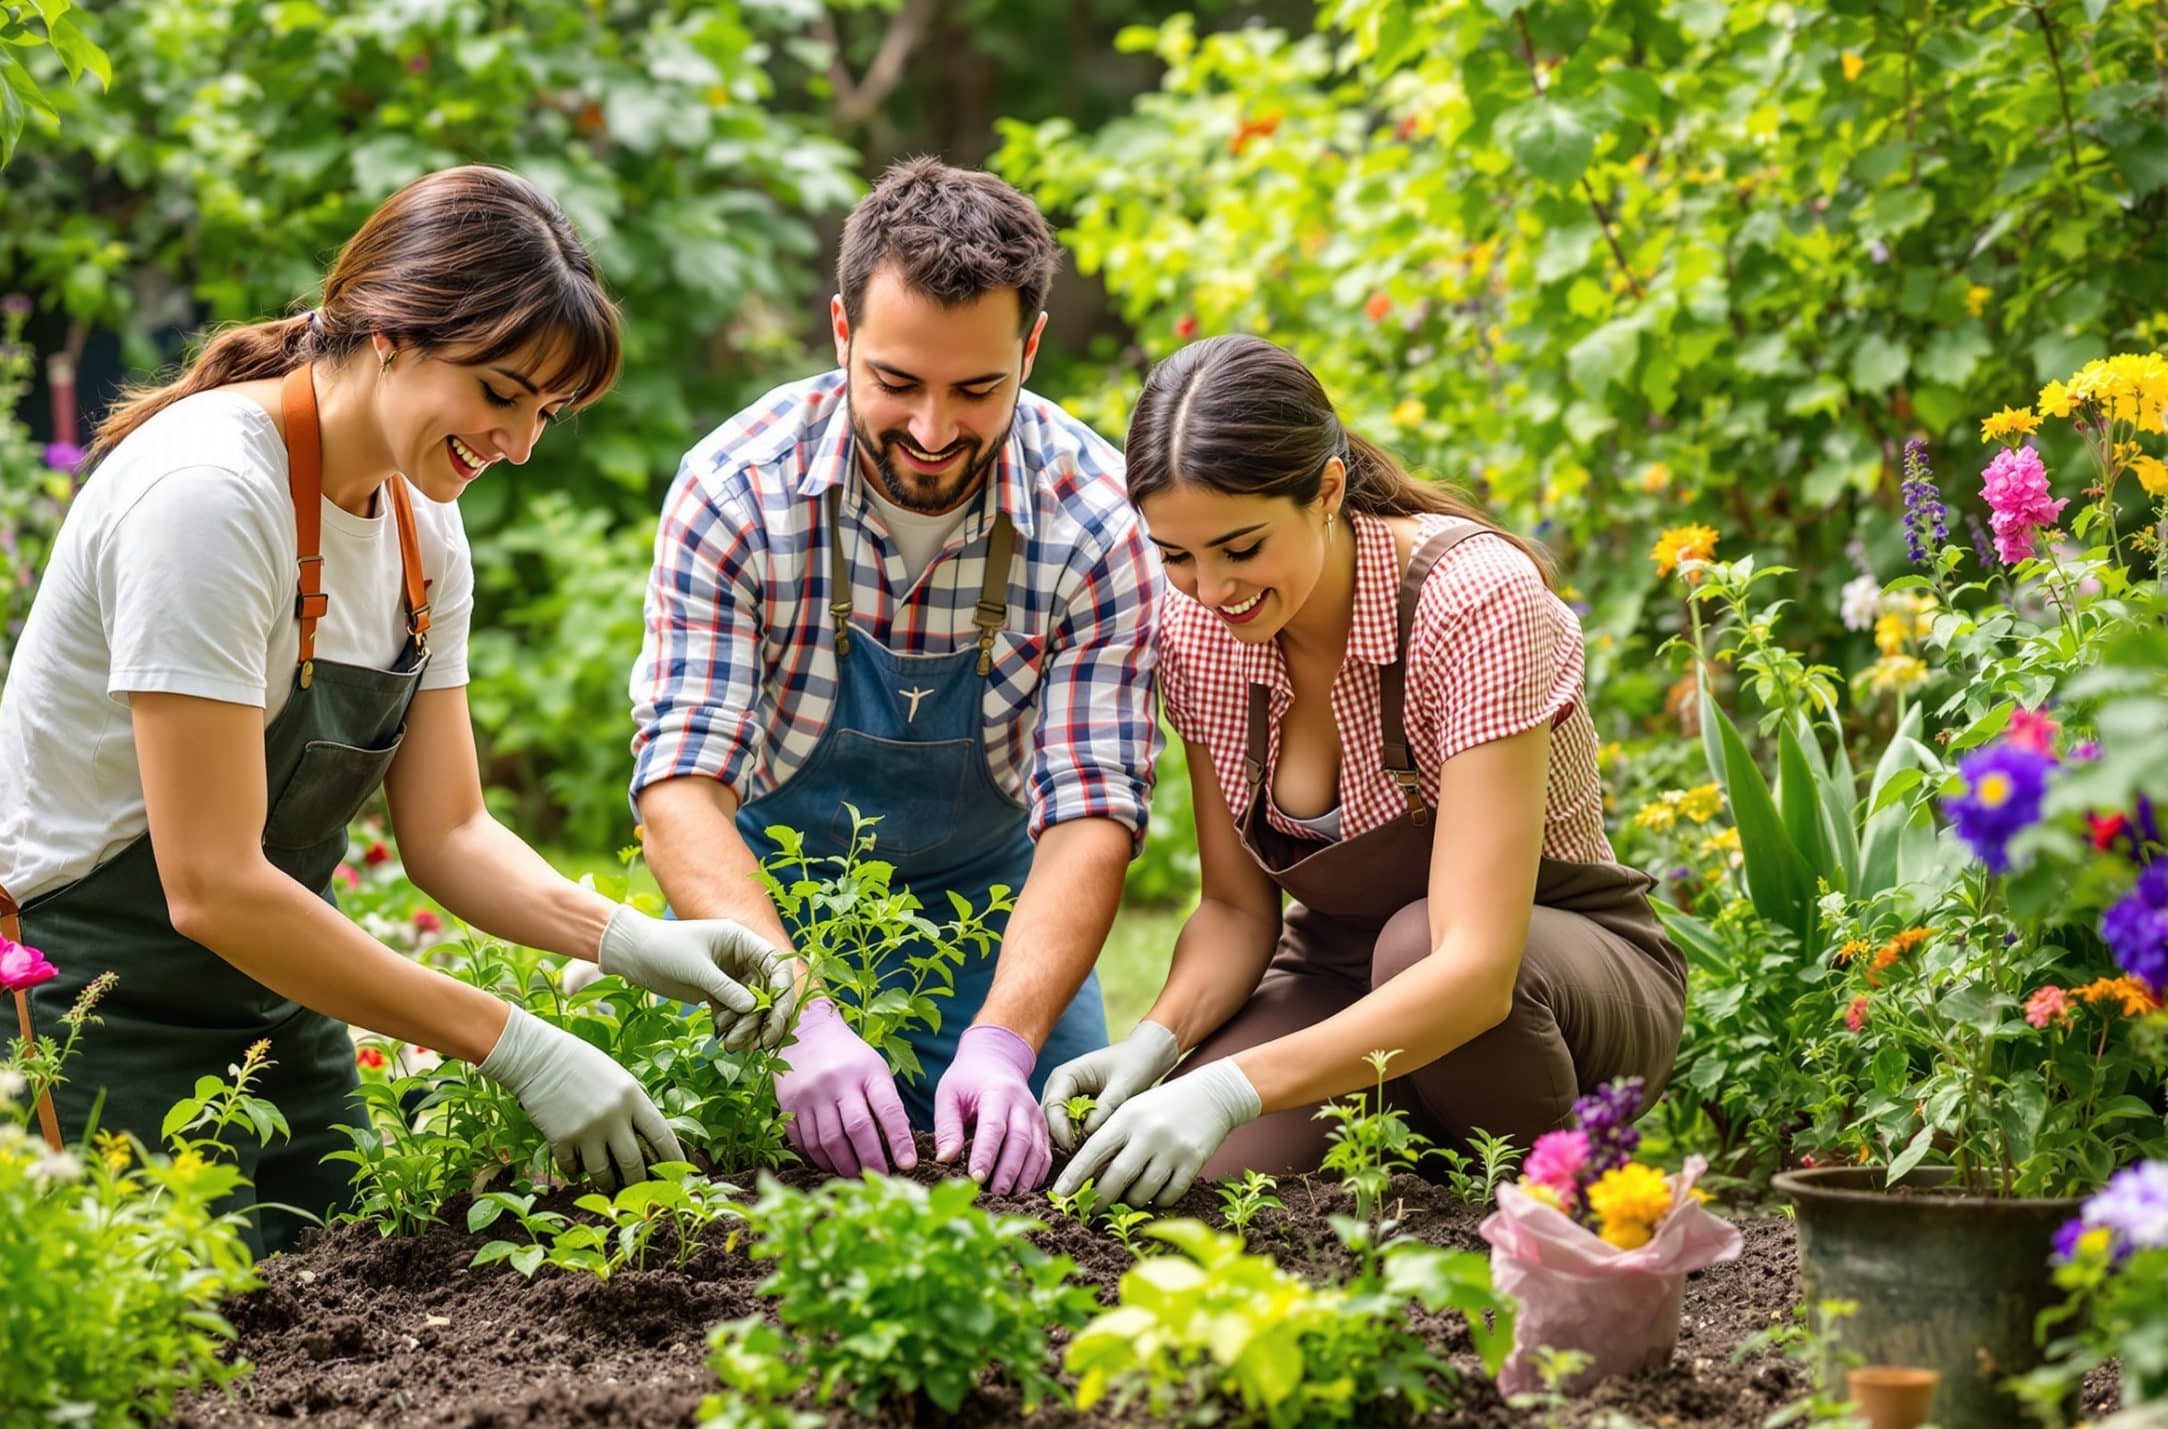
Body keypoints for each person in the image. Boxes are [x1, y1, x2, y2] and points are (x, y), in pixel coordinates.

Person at [0, 167, 792, 1257]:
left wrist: (632, 940)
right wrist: (517, 1045)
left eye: (546, 410)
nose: (520, 443)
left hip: (280, 1000)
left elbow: (448, 831)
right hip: (96, 1006)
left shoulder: (417, 528)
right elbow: (207, 885)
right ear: (389, 333)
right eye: (499, 392)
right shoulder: (208, 496)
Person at [1043, 334, 1686, 1207]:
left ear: (1329, 491)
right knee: (1189, 1188)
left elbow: (1472, 966)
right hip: (1342, 978)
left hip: (1550, 975)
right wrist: (1157, 1046)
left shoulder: (1472, 601)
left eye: (1239, 548)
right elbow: (1236, 909)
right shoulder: (1199, 634)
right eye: (1178, 555)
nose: (1209, 588)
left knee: (1416, 944)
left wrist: (1232, 1086)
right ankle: (1415, 1147)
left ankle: (1571, 1205)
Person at [627, 158, 1162, 1195]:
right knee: (705, 1182)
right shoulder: (738, 491)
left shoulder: (1093, 518)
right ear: (840, 333)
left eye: (976, 389)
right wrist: (792, 1017)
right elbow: (680, 786)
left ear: (1030, 347)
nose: (930, 431)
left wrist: (1006, 1042)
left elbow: (1092, 814)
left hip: (990, 913)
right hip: (762, 911)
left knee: (1050, 1182)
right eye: (895, 382)